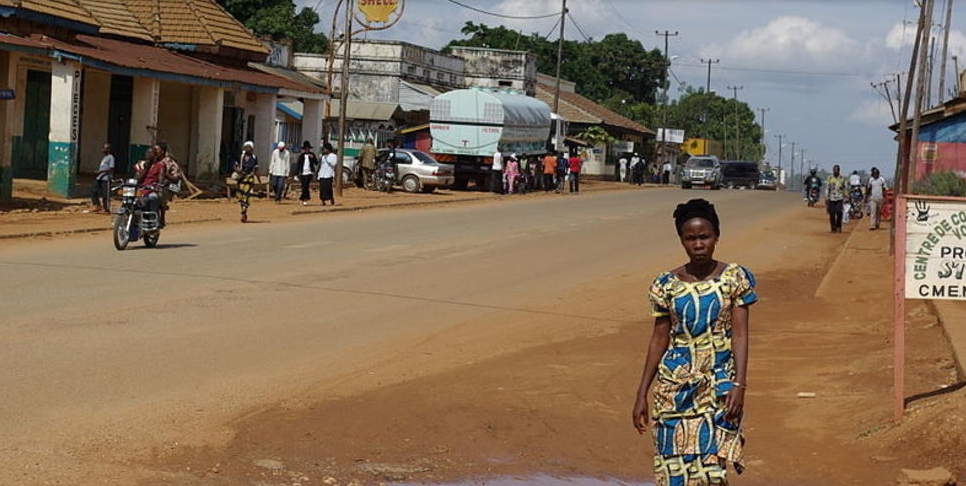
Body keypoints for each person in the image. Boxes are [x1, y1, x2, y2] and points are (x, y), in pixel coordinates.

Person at [632, 198, 757, 486]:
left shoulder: (733, 279)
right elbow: (658, 338)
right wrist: (642, 393)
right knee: (672, 468)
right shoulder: (667, 285)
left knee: (711, 471)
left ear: (716, 237)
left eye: (705, 237)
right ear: (681, 240)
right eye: (690, 238)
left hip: (718, 388)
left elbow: (740, 334)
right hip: (672, 390)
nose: (698, 244)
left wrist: (739, 385)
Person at [235, 141, 258, 222]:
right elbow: (236, 165)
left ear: (252, 149)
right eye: (246, 147)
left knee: (248, 196)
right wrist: (238, 170)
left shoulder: (254, 157)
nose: (248, 149)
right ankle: (243, 212)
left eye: (249, 148)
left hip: (250, 179)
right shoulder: (241, 157)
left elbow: (256, 169)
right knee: (241, 196)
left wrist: (256, 176)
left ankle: (245, 210)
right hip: (242, 179)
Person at [89, 143, 114, 213]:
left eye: (104, 148)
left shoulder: (111, 157)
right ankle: (97, 206)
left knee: (105, 194)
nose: (102, 150)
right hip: (100, 178)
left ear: (108, 149)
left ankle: (106, 209)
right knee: (93, 191)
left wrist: (100, 172)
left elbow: (111, 168)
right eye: (102, 148)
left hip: (106, 179)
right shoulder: (104, 158)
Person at [296, 140, 318, 206]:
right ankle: (305, 198)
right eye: (305, 149)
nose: (307, 150)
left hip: (309, 173)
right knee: (304, 186)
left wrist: (313, 158)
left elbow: (316, 163)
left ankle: (304, 199)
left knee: (306, 185)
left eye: (308, 148)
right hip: (303, 173)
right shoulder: (301, 156)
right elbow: (299, 164)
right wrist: (297, 173)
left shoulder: (312, 155)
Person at [826, 164, 847, 233]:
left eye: (837, 170)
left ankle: (839, 226)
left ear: (839, 170)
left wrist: (846, 196)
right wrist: (826, 197)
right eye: (834, 170)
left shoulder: (842, 178)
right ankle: (833, 227)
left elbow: (845, 188)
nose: (836, 171)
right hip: (831, 198)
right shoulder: (830, 178)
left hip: (839, 198)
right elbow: (827, 188)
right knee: (832, 214)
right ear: (833, 170)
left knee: (839, 212)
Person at [318, 142, 337, 206]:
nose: (324, 150)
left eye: (325, 149)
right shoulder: (323, 157)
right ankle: (323, 201)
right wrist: (319, 174)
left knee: (328, 188)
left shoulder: (333, 156)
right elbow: (322, 166)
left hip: (329, 174)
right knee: (322, 188)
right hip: (322, 175)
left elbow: (333, 163)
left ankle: (331, 199)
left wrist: (327, 158)